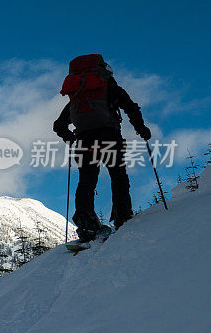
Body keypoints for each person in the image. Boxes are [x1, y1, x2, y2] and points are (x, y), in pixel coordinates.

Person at [53, 54, 151, 243]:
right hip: (109, 136)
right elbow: (131, 108)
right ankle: (123, 215)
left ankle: (86, 223)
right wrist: (142, 130)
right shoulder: (111, 88)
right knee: (117, 174)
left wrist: (70, 137)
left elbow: (58, 125)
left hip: (83, 140)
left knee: (86, 181)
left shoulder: (76, 98)